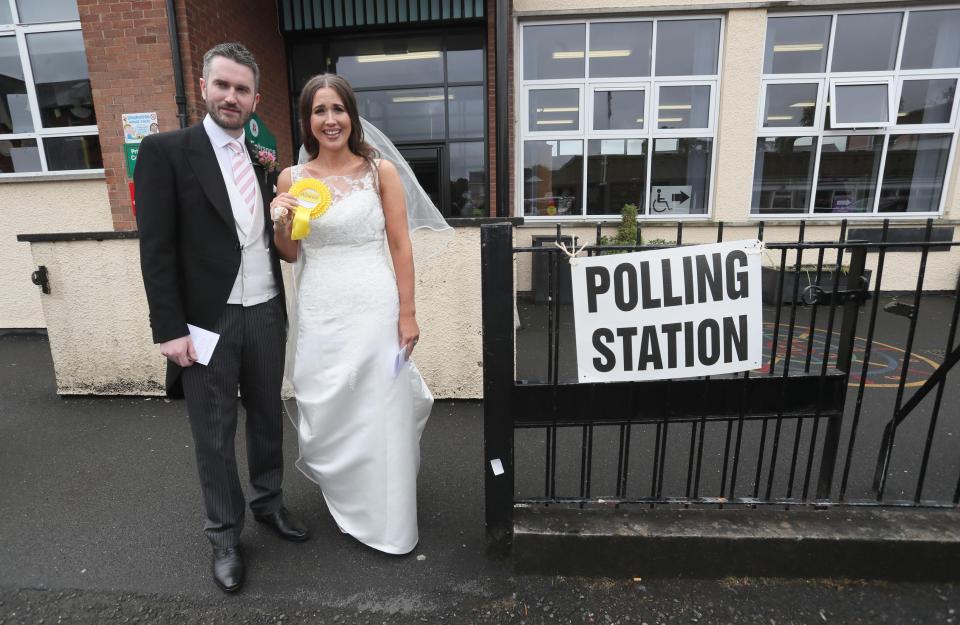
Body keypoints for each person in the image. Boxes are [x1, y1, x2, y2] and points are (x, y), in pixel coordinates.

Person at [135, 42, 308, 594]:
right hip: (206, 322)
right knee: (213, 433)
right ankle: (224, 536)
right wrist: (169, 329)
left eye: (242, 89)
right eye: (222, 86)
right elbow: (155, 248)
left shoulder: (263, 157)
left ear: (256, 98)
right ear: (204, 88)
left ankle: (269, 504)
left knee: (266, 419)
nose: (232, 97)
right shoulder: (165, 151)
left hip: (264, 313)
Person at [271, 74, 445, 555]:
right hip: (321, 304)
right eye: (319, 111)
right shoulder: (292, 178)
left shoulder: (379, 172)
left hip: (373, 301)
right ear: (307, 121)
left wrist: (407, 314)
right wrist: (281, 222)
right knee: (325, 400)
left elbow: (400, 246)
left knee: (378, 403)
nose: (330, 120)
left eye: (338, 109)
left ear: (352, 115)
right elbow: (289, 253)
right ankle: (348, 491)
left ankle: (388, 516)